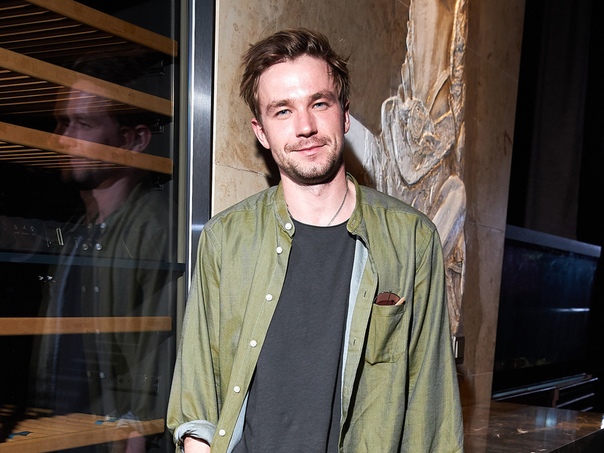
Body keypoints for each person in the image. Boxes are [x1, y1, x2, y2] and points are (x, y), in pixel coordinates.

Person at [167, 28, 463, 453]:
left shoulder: (410, 239)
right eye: (282, 111)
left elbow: (430, 406)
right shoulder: (225, 239)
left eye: (319, 103)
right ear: (261, 132)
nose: (305, 126)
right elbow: (196, 395)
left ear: (344, 114)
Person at [30, 53, 176, 452]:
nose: (61, 138)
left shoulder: (155, 230)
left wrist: (137, 429)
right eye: (62, 122)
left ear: (133, 140)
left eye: (83, 124)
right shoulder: (78, 232)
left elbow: (160, 352)